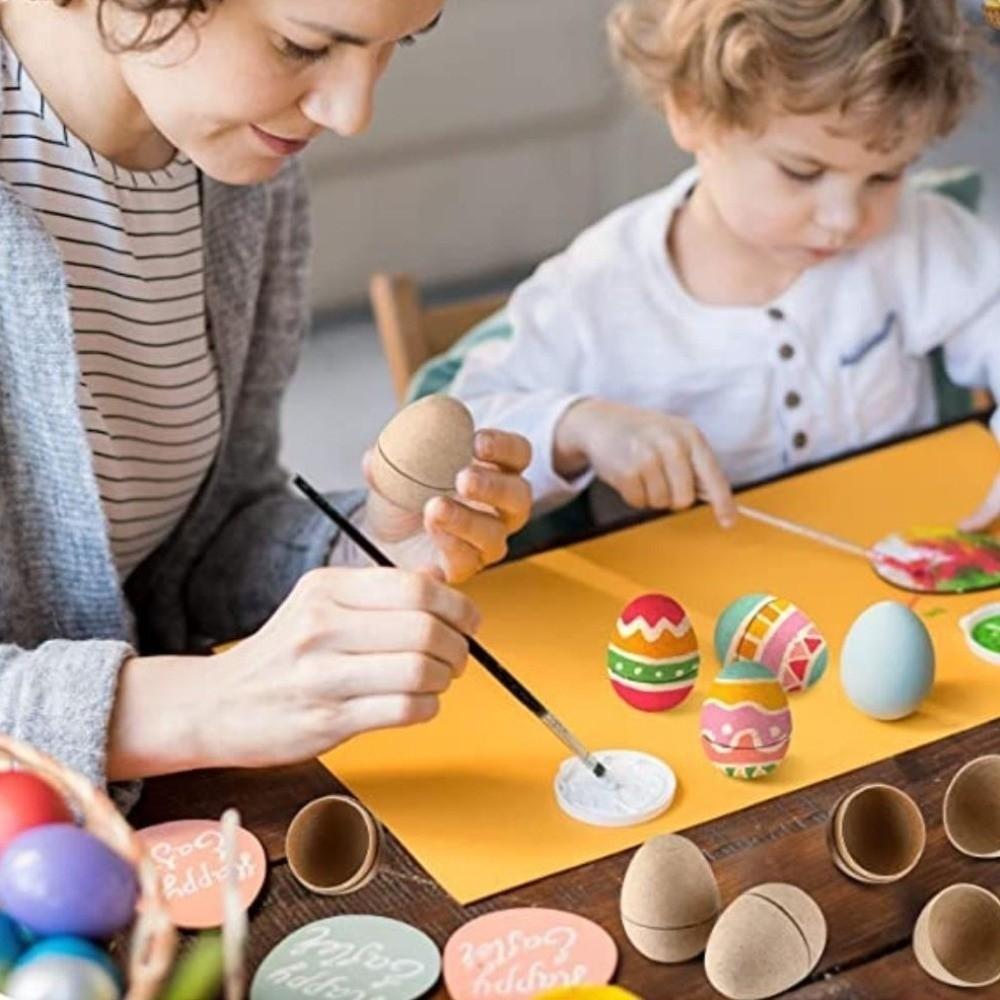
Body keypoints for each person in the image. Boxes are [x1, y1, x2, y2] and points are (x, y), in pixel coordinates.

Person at [0, 0, 533, 799]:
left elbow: (191, 550)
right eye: (302, 45)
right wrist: (202, 706)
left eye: (399, 43)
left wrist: (359, 543)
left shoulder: (236, 171)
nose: (352, 113)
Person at [446, 0, 1000, 530]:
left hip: (891, 569)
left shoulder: (915, 236)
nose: (843, 218)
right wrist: (576, 426)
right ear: (691, 112)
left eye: (884, 176)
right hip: (688, 610)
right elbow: (454, 436)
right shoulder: (598, 290)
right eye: (802, 173)